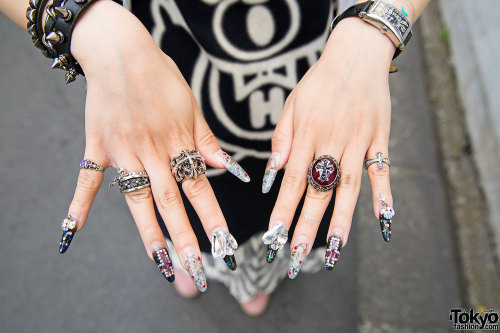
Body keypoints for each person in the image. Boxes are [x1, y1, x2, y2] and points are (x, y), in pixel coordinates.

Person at [0, 0, 429, 316]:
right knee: (179, 199)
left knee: (283, 209)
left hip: (321, 77)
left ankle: (253, 277)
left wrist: (376, 27)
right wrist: (87, 23)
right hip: (161, 72)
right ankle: (195, 258)